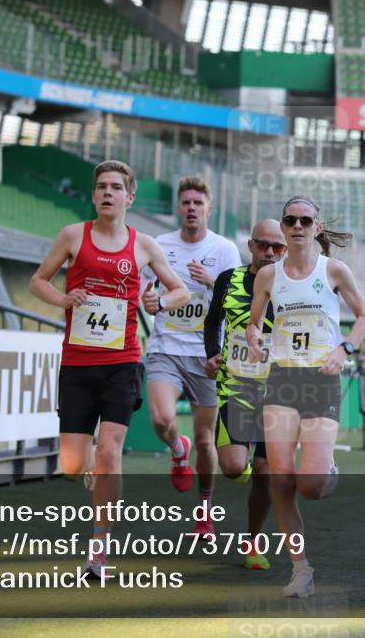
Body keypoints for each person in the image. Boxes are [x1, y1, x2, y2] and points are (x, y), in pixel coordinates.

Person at [29, 160, 188, 577]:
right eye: (101, 186)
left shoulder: (144, 245)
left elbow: (180, 289)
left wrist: (159, 303)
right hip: (78, 362)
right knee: (70, 464)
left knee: (110, 453)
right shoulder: (72, 236)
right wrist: (63, 299)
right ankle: (90, 464)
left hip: (122, 361)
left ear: (129, 197)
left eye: (116, 187)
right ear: (94, 194)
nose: (107, 193)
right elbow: (38, 281)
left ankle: (98, 551)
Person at [246, 196, 365, 598]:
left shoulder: (333, 270)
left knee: (312, 485)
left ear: (317, 227)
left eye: (305, 220)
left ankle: (326, 461)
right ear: (282, 227)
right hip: (282, 380)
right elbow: (253, 324)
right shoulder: (268, 276)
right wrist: (253, 341)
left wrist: (344, 349)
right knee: (280, 477)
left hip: (321, 379)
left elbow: (364, 315)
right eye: (290, 220)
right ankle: (301, 569)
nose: (297, 226)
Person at [143, 175, 242, 540]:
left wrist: (213, 282)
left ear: (209, 209)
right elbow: (147, 294)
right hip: (166, 348)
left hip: (206, 355)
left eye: (198, 203)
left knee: (205, 440)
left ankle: (204, 511)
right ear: (178, 208)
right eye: (186, 202)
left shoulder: (225, 250)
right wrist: (150, 301)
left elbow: (239, 301)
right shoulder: (158, 245)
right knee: (161, 418)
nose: (191, 208)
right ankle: (175, 448)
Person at [203, 220, 287, 571]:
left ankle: (252, 541)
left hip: (279, 391)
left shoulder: (292, 286)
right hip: (236, 386)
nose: (269, 252)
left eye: (277, 247)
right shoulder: (229, 279)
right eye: (263, 245)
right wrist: (212, 352)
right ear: (250, 245)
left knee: (265, 474)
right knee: (235, 467)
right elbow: (212, 321)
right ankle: (241, 456)